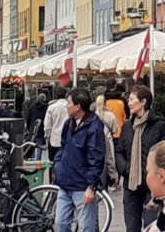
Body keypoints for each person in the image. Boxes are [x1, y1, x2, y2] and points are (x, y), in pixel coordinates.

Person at [117, 85, 165, 232]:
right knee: (131, 227)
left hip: (153, 185)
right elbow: (119, 151)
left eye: (132, 99)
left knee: (151, 224)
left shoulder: (159, 125)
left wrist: (156, 172)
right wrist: (125, 168)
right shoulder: (127, 126)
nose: (129, 103)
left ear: (143, 102)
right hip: (130, 184)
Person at [54, 88, 107, 232]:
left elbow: (96, 158)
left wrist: (91, 186)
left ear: (78, 106)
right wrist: (58, 165)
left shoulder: (94, 127)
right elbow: (63, 147)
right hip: (65, 183)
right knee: (60, 224)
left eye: (69, 102)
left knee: (86, 228)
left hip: (82, 186)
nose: (66, 106)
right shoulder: (68, 123)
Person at [45, 85, 71, 161]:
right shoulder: (70, 106)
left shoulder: (51, 108)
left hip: (54, 140)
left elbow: (47, 126)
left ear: (56, 95)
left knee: (53, 162)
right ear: (66, 95)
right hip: (68, 140)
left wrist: (47, 137)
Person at [24, 89, 50, 157]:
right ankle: (38, 159)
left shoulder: (32, 106)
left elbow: (28, 117)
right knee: (39, 144)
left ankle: (32, 158)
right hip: (41, 128)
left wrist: (29, 127)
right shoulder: (46, 107)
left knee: (31, 143)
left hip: (32, 128)